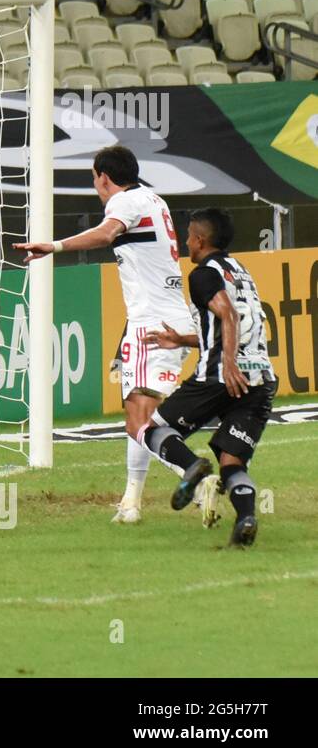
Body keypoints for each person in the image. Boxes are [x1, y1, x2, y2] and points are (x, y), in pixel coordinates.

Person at [14, 144, 196, 523]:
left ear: (104, 177)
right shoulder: (153, 199)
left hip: (152, 326)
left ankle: (193, 476)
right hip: (171, 319)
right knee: (142, 415)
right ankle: (131, 503)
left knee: (139, 420)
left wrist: (53, 246)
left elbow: (106, 234)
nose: (97, 188)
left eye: (95, 180)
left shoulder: (124, 202)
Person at [143, 208, 276, 547]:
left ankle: (192, 467)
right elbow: (231, 321)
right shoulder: (239, 271)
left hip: (222, 375)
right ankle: (246, 518)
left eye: (188, 236)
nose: (186, 241)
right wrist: (183, 339)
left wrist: (228, 363)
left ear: (200, 240)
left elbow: (227, 314)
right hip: (260, 379)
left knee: (153, 429)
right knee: (233, 463)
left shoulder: (203, 274)